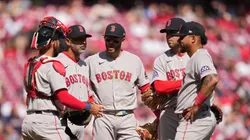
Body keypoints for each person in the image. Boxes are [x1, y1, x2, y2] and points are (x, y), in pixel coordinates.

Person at [22, 17, 104, 140]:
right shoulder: (53, 64)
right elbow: (63, 97)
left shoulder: (31, 63)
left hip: (29, 120)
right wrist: (88, 107)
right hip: (48, 121)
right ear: (54, 42)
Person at [85, 23, 151, 140]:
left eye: (115, 40)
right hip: (103, 117)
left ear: (123, 39)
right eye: (108, 39)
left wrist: (158, 115)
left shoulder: (134, 60)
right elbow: (82, 86)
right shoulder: (92, 61)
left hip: (127, 117)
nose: (111, 43)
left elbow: (146, 88)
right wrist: (90, 104)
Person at [173, 21, 219, 140]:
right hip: (199, 117)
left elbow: (212, 79)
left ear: (193, 38)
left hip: (193, 120)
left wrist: (197, 104)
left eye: (182, 37)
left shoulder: (200, 56)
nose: (179, 40)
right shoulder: (197, 57)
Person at [148, 18, 189, 140]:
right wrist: (187, 83)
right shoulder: (161, 59)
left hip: (191, 109)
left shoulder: (195, 56)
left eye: (172, 33)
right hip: (169, 111)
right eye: (167, 33)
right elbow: (160, 87)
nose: (168, 36)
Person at [56, 24, 99, 140]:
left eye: (84, 39)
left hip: (79, 123)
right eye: (79, 39)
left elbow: (89, 93)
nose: (83, 42)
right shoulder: (58, 62)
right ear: (68, 41)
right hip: (61, 122)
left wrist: (88, 109)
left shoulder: (84, 65)